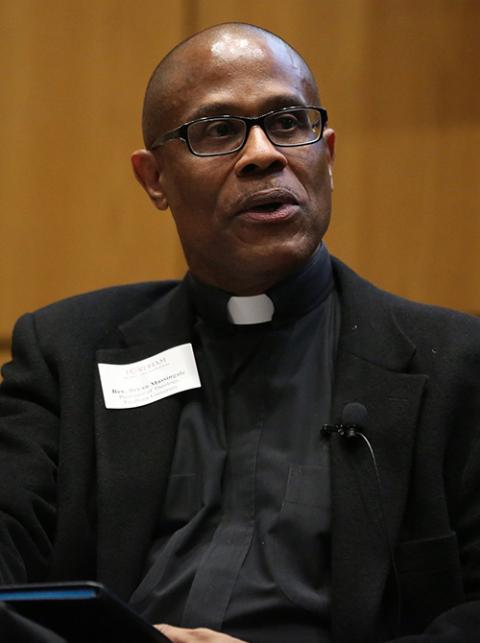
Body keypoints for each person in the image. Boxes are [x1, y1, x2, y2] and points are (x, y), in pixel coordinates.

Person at [1, 21, 480, 643]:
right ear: (154, 180)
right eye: (219, 130)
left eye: (287, 122)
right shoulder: (67, 353)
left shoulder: (455, 365)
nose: (263, 153)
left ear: (326, 156)